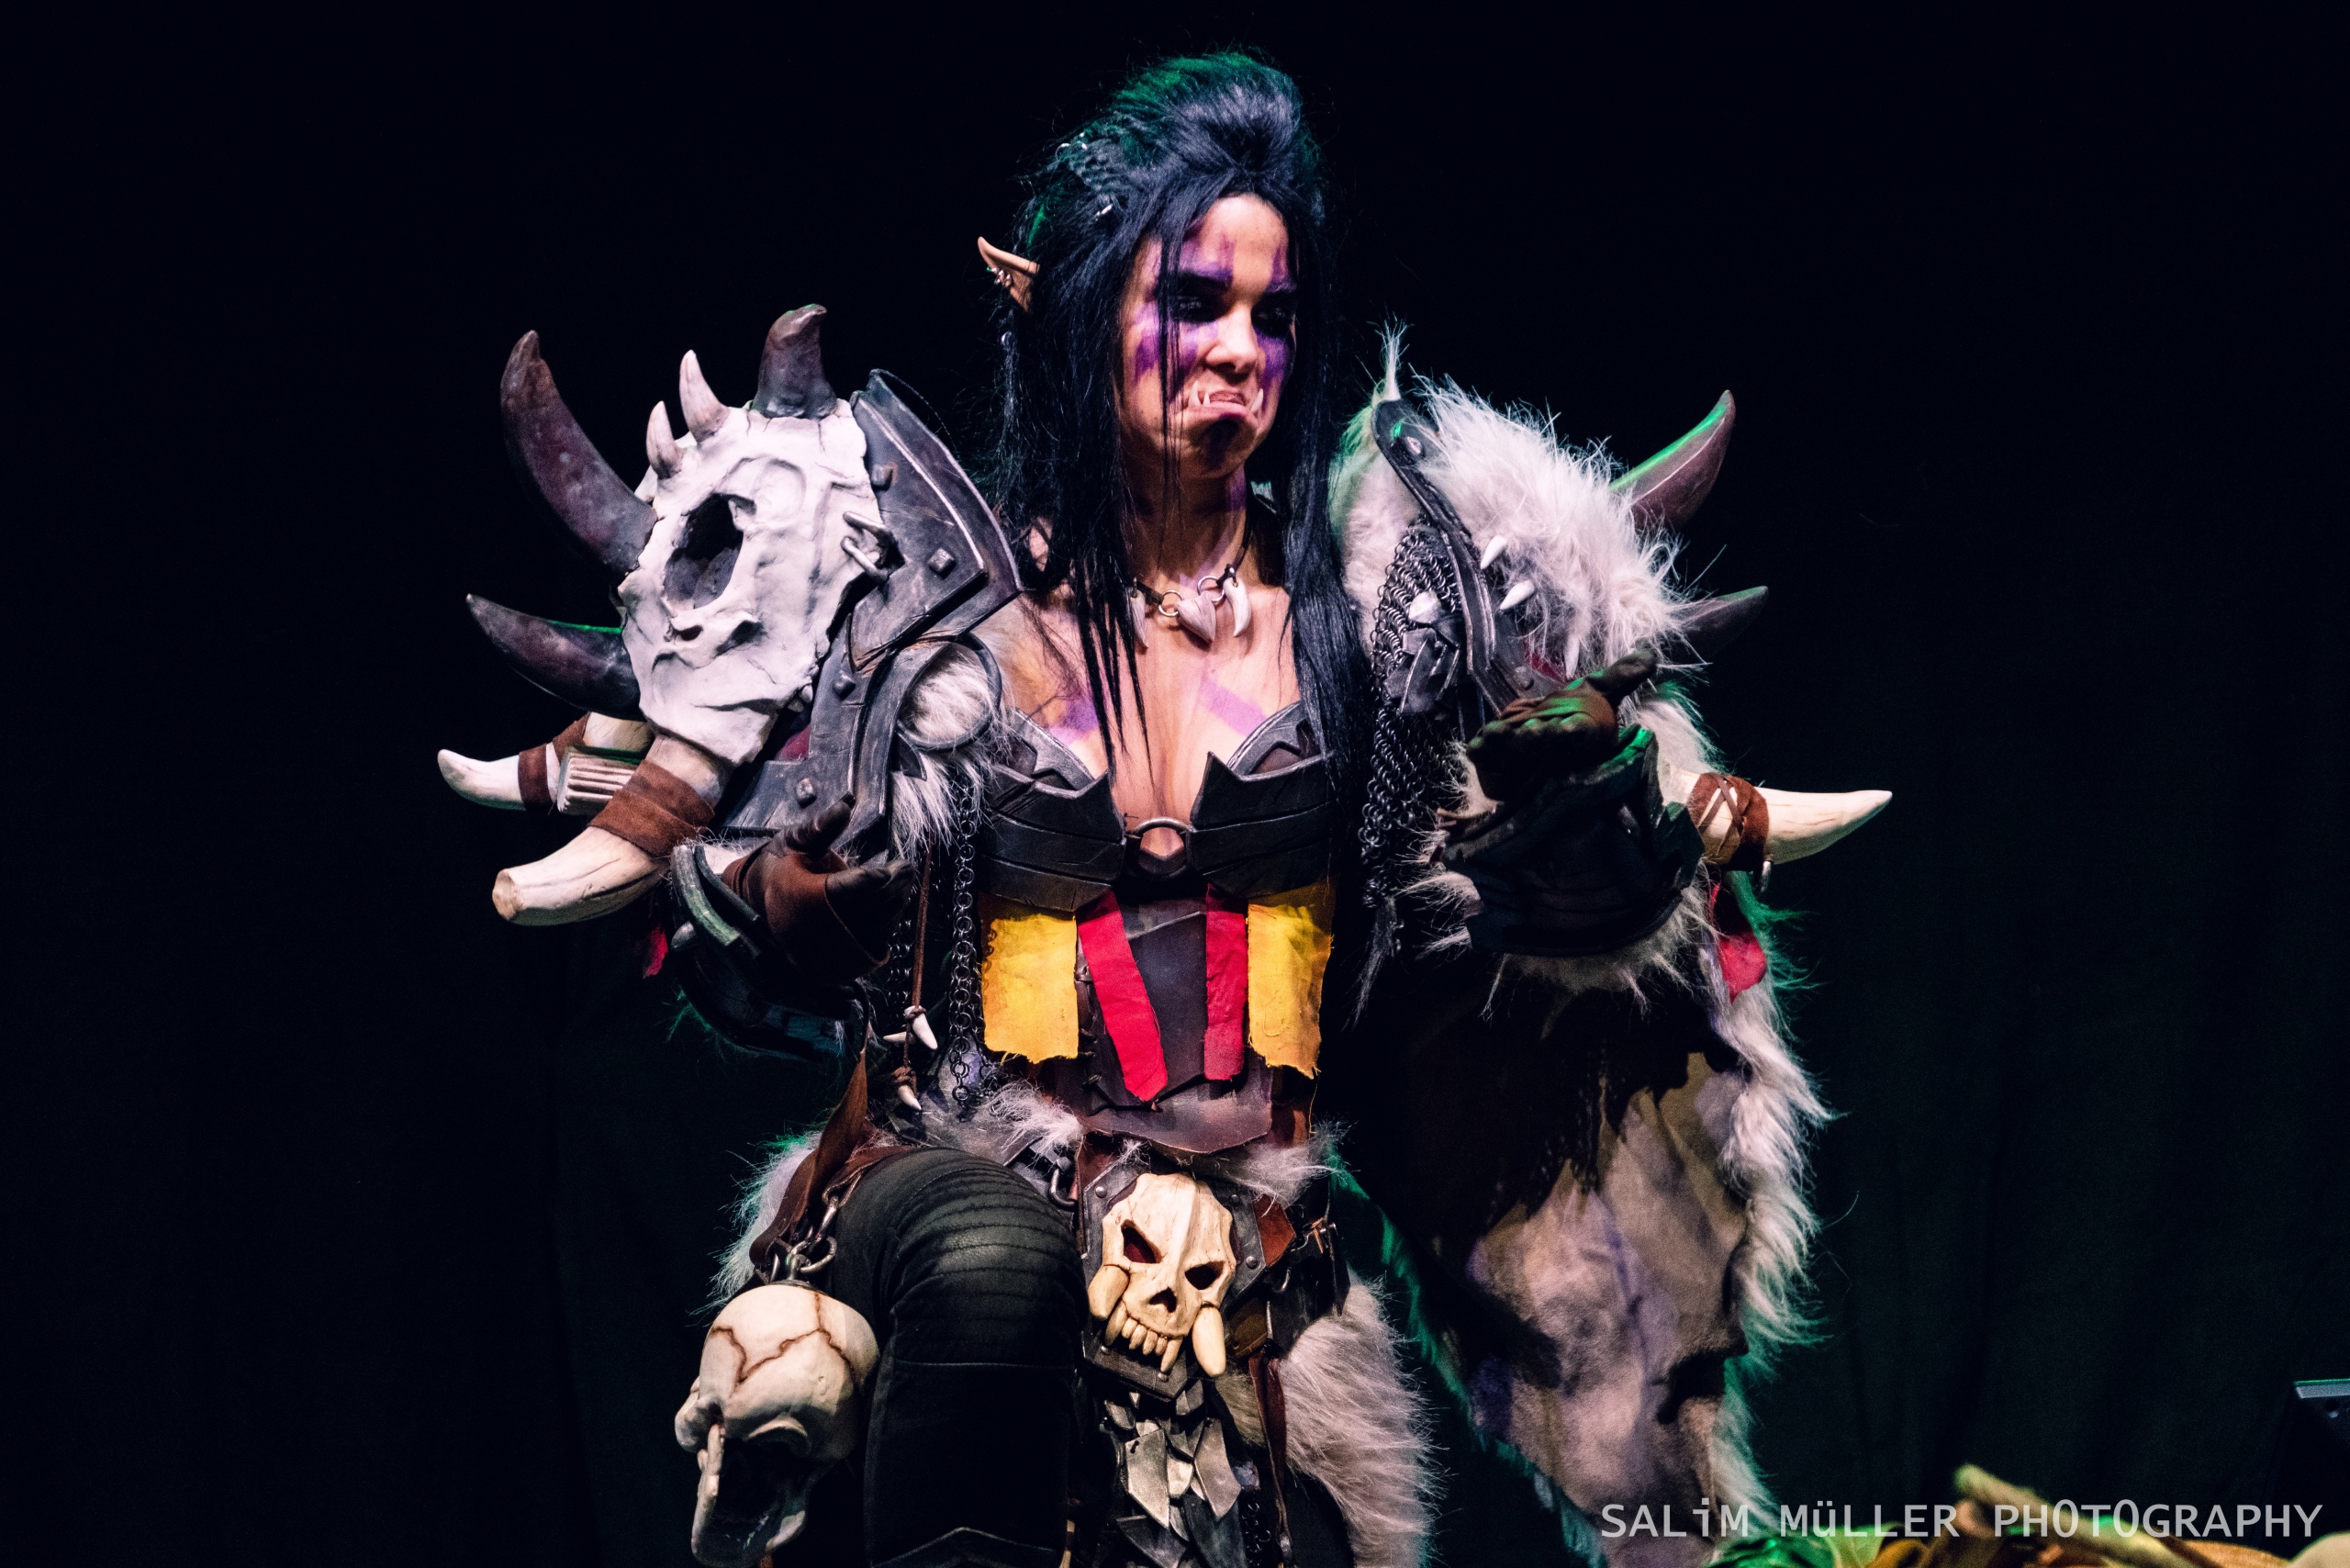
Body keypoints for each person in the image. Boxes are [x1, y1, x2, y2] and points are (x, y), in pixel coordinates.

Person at [442, 52, 1888, 1568]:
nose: (1241, 355)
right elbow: (735, 925)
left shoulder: (1366, 643)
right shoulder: (926, 627)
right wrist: (779, 901)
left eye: (1274, 314)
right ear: (1074, 307)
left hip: (1250, 1292)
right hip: (951, 1225)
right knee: (994, 1266)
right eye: (1194, 302)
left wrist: (1584, 844)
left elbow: (1475, 962)